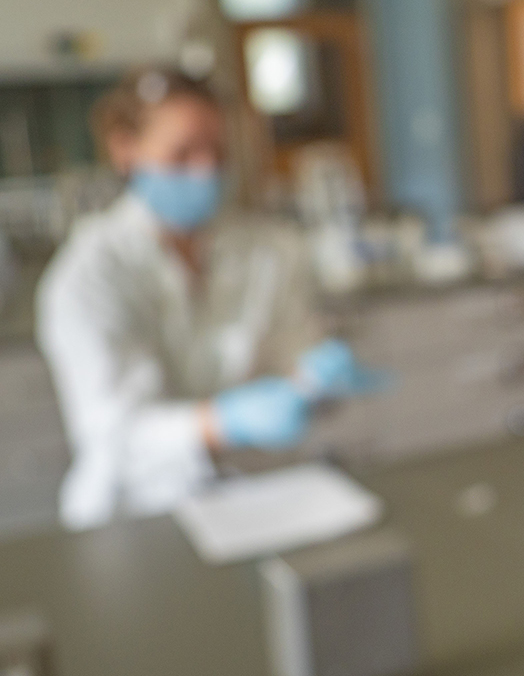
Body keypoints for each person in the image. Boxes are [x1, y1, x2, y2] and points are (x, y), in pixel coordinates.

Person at [37, 68, 380, 530]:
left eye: (216, 153)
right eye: (182, 155)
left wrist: (314, 375)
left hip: (257, 495)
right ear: (126, 149)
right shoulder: (90, 274)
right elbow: (114, 432)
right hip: (136, 511)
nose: (204, 171)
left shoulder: (269, 249)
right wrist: (222, 422)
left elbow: (290, 351)